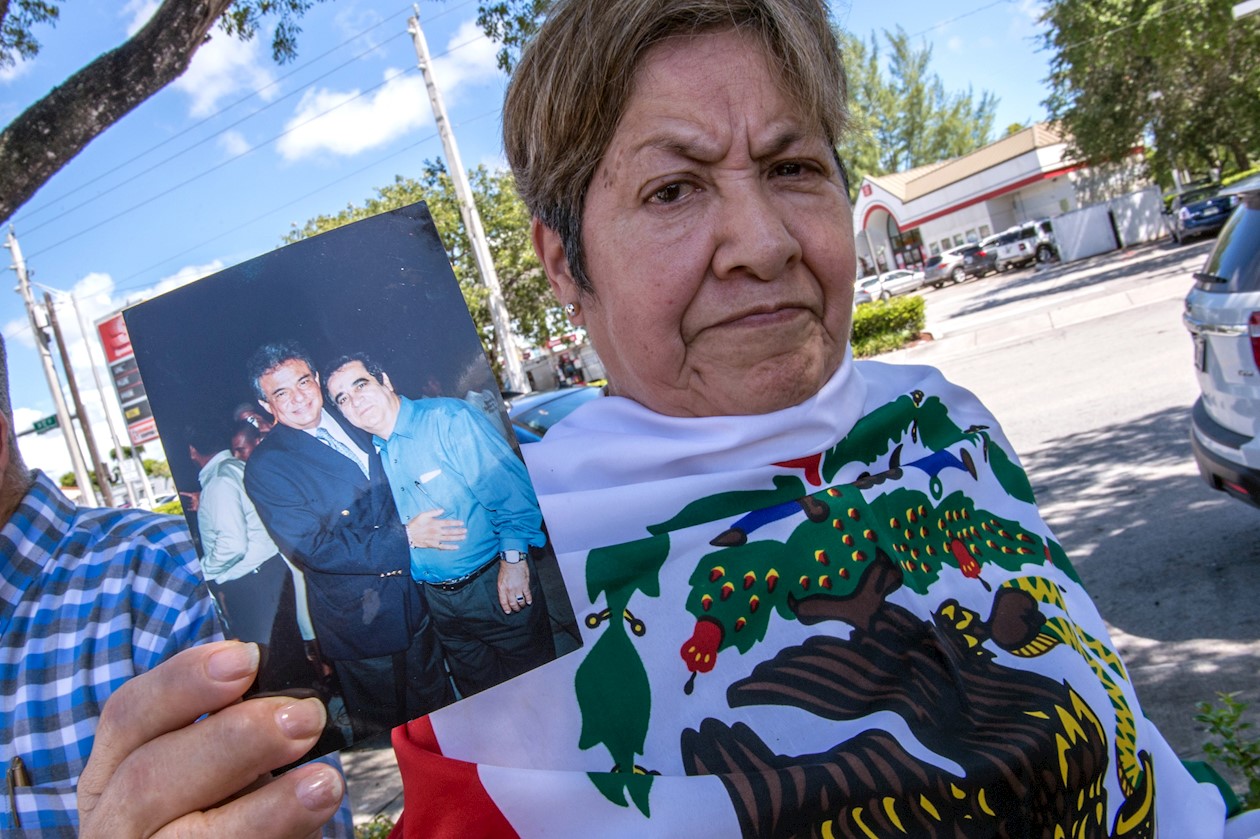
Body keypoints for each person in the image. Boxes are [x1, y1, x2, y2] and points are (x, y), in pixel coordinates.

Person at [77, 0, 1249, 836]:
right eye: (674, 188)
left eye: (794, 167)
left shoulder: (948, 416)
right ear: (564, 265)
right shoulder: (514, 580)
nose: (764, 243)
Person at [0, 333, 352, 837]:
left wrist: (211, 567)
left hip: (253, 585)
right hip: (264, 583)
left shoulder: (162, 577)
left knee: (292, 683)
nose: (249, 440)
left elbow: (308, 795)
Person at [241, 341, 454, 740]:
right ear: (266, 404)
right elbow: (313, 548)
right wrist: (405, 537)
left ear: (317, 380)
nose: (299, 397)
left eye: (303, 382)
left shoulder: (358, 415)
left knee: (442, 714)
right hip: (361, 623)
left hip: (417, 598)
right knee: (387, 737)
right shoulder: (267, 466)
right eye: (281, 393)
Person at [324, 354, 554, 696]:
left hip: (494, 587)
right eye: (342, 398)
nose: (354, 400)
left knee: (544, 690)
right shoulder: (375, 457)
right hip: (439, 607)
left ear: (384, 381)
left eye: (360, 385)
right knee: (486, 703)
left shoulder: (447, 419)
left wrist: (515, 561)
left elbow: (513, 494)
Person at [186, 423, 313, 695]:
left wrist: (202, 573)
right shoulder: (236, 469)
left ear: (192, 451)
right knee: (288, 656)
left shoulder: (219, 481)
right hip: (269, 573)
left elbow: (233, 545)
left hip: (252, 584)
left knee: (274, 668)